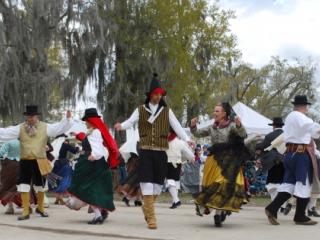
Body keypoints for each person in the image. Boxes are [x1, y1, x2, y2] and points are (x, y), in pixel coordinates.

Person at [114, 73, 191, 229]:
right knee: (147, 185)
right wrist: (121, 126)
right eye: (155, 94)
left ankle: (147, 208)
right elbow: (130, 122)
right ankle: (152, 218)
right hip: (146, 152)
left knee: (157, 186)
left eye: (160, 94)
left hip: (161, 153)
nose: (158, 96)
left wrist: (187, 139)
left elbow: (177, 127)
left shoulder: (167, 111)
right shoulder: (140, 110)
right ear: (150, 95)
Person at [0, 105, 73, 220]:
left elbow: (58, 128)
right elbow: (5, 133)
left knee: (40, 186)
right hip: (24, 161)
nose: (30, 118)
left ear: (37, 116)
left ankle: (40, 209)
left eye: (32, 116)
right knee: (23, 186)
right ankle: (25, 211)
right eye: (29, 116)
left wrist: (67, 120)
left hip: (40, 161)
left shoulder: (45, 127)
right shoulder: (20, 128)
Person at [190, 102, 248, 227]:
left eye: (217, 111)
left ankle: (218, 213)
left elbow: (243, 135)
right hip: (214, 161)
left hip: (228, 161)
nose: (214, 113)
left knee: (223, 184)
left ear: (224, 114)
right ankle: (219, 212)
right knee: (215, 187)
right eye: (214, 111)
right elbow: (197, 134)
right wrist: (193, 126)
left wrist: (239, 125)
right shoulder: (212, 127)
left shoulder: (232, 126)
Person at [265, 95, 320, 225]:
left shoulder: (290, 117)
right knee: (303, 183)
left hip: (291, 153)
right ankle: (300, 216)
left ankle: (272, 208)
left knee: (288, 184)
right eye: (307, 106)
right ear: (305, 106)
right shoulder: (300, 117)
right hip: (300, 154)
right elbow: (314, 130)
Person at [66, 108, 119, 225]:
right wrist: (78, 135)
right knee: (92, 190)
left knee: (88, 189)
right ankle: (99, 214)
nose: (85, 123)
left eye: (86, 120)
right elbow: (88, 139)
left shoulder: (95, 132)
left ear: (91, 120)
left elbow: (98, 149)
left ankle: (99, 215)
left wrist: (93, 156)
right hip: (92, 164)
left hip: (92, 164)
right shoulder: (93, 131)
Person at [256, 118, 286, 209]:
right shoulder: (287, 135)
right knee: (282, 183)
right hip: (285, 161)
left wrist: (257, 142)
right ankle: (282, 204)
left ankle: (275, 204)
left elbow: (262, 147)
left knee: (272, 184)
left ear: (273, 126)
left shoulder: (269, 136)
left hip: (272, 161)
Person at [166, 129, 194, 209]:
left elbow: (187, 151)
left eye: (168, 132)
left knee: (170, 182)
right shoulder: (180, 142)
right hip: (177, 163)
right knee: (175, 182)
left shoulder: (165, 142)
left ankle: (176, 200)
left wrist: (191, 157)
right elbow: (187, 152)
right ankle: (174, 202)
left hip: (169, 163)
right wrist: (191, 157)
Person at [48, 135, 79, 205]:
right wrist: (77, 145)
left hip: (55, 164)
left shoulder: (54, 144)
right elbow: (75, 151)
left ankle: (57, 199)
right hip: (63, 164)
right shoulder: (64, 144)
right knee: (63, 181)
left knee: (56, 181)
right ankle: (60, 199)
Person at [0, 139, 20, 214]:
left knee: (8, 186)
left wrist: (2, 159)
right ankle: (27, 206)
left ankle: (10, 207)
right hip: (22, 164)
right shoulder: (24, 142)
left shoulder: (9, 142)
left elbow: (1, 153)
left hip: (9, 165)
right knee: (22, 185)